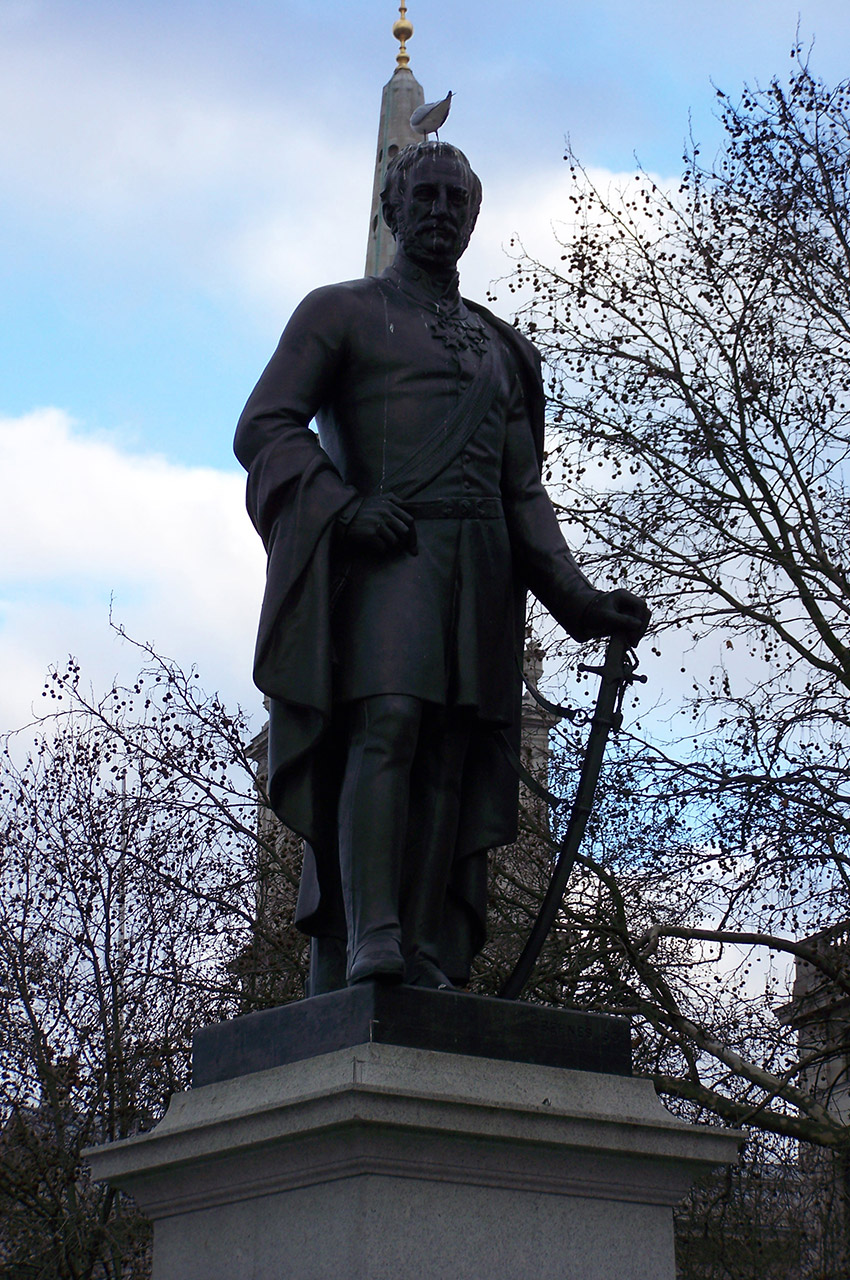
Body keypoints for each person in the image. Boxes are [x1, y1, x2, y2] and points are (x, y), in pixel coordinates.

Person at [235, 141, 649, 994]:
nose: (439, 211)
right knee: (388, 722)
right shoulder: (339, 312)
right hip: (390, 555)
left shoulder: (501, 350)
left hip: (483, 573)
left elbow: (523, 494)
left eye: (455, 200)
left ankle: (423, 946)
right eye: (423, 195)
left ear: (473, 217)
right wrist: (343, 509)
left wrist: (581, 601)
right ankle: (372, 937)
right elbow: (266, 428)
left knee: (451, 754)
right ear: (392, 207)